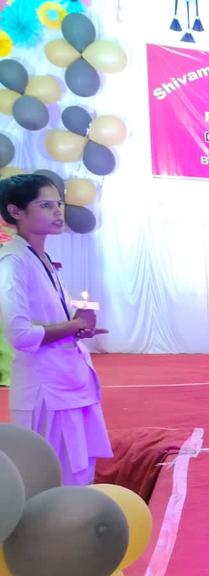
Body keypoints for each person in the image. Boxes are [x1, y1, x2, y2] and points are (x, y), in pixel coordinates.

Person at [0, 174, 112, 485]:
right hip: (45, 390)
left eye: (59, 204)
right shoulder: (12, 262)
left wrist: (75, 329)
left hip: (69, 380)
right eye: (46, 205)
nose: (58, 211)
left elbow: (46, 320)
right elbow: (21, 335)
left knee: (78, 472)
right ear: (16, 211)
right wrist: (74, 324)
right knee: (50, 479)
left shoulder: (42, 258)